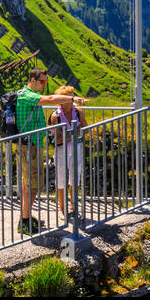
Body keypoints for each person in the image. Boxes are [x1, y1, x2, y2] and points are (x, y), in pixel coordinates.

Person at [15, 66, 84, 235]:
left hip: (32, 144)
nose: (45, 85)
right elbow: (52, 98)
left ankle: (26, 217)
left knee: (29, 183)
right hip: (29, 145)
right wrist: (72, 99)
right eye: (42, 81)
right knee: (33, 184)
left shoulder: (31, 95)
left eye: (46, 81)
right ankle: (24, 221)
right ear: (33, 80)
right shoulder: (27, 95)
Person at [48, 85, 87, 224]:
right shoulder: (55, 116)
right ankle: (62, 209)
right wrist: (74, 134)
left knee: (75, 179)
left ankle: (73, 206)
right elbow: (58, 138)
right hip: (61, 150)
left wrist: (69, 135)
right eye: (62, 101)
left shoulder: (78, 111)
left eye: (67, 101)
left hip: (76, 148)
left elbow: (85, 128)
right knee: (61, 180)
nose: (64, 104)